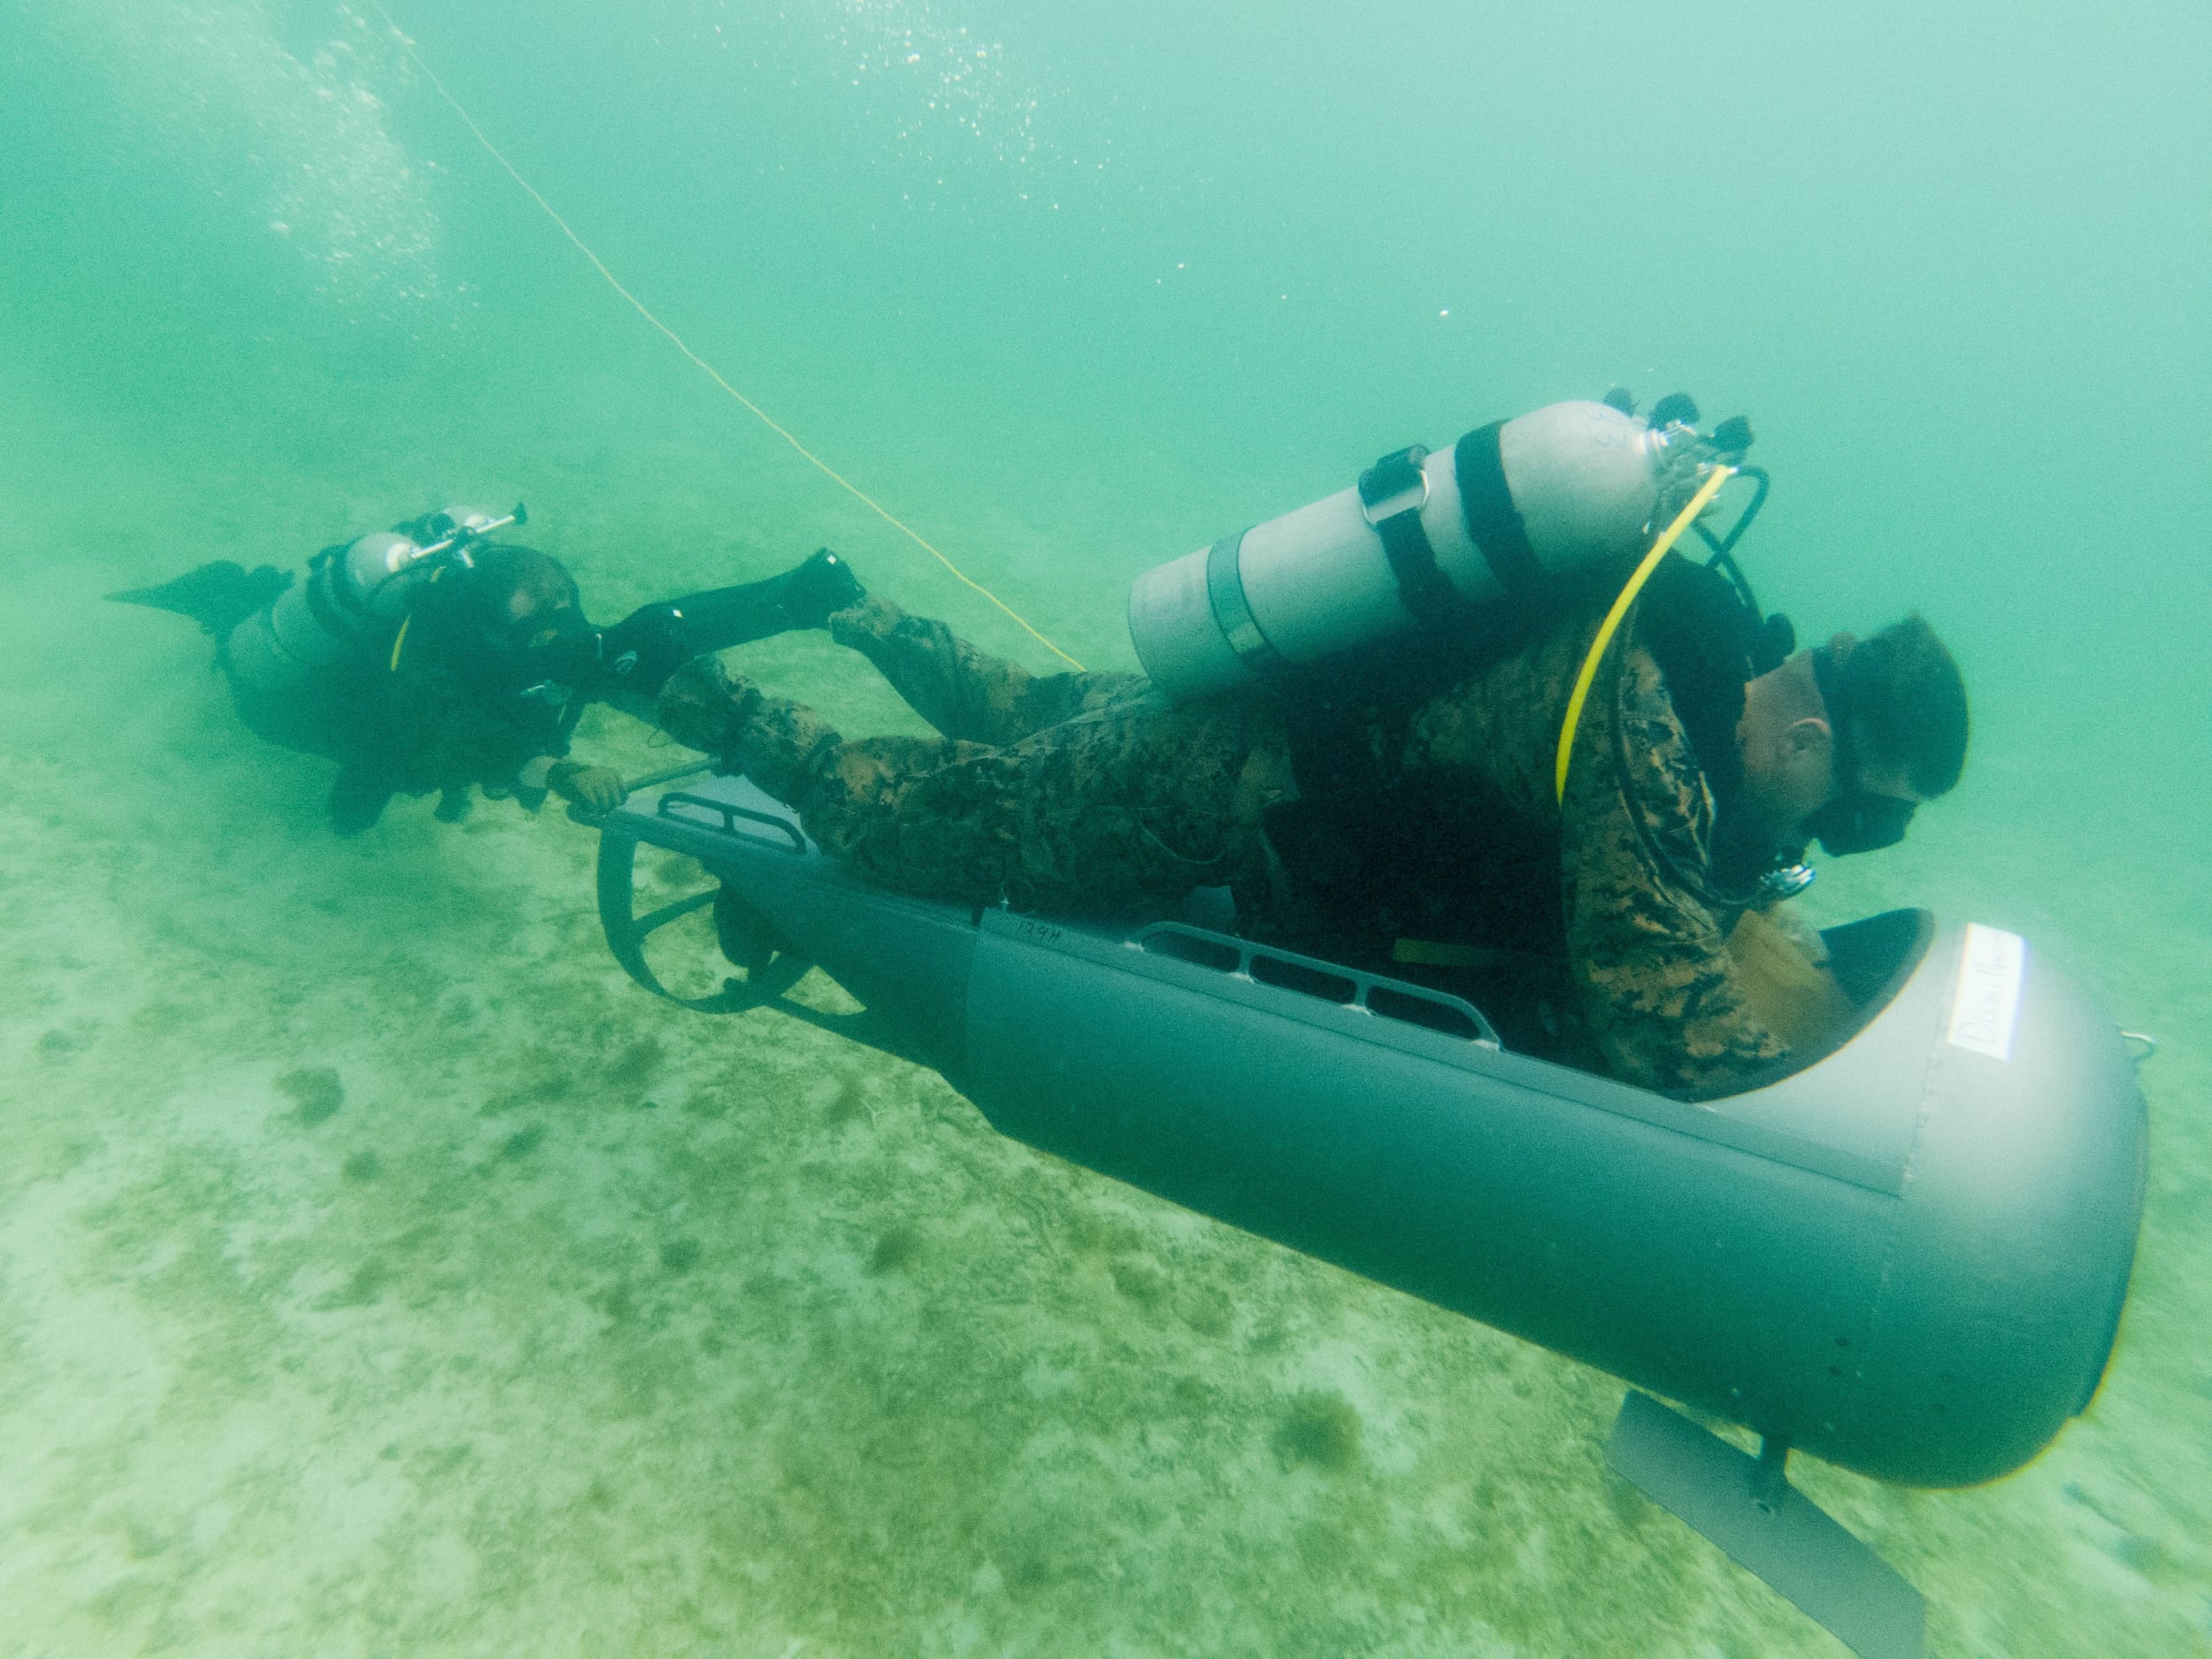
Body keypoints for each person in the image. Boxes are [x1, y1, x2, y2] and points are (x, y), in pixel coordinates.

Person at [656, 550, 1969, 1102]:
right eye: (1861, 820)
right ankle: (669, 678)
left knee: (1023, 709)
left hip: (1241, 707)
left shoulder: (1696, 630)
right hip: (1202, 786)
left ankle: (858, 607)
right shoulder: (1658, 737)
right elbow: (1654, 1003)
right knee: (908, 824)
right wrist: (1807, 1071)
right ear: (1807, 741)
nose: (1834, 842)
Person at [109, 516, 862, 833]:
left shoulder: (528, 635)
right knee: (360, 793)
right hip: (294, 710)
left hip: (426, 715)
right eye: (542, 619)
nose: (563, 634)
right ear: (484, 623)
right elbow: (443, 734)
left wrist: (787, 603)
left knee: (641, 639)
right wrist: (557, 768)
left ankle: (795, 594)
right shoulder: (425, 652)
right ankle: (217, 598)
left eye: (567, 611)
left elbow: (642, 640)